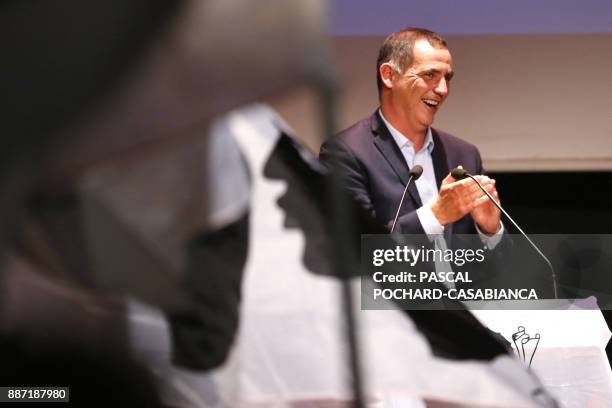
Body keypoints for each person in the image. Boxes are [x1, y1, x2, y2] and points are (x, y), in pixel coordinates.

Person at [320, 27, 502, 239]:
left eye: (447, 77)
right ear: (389, 76)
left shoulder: (464, 155)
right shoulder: (346, 153)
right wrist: (437, 215)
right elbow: (356, 249)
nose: (443, 89)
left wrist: (491, 231)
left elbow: (496, 267)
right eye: (430, 75)